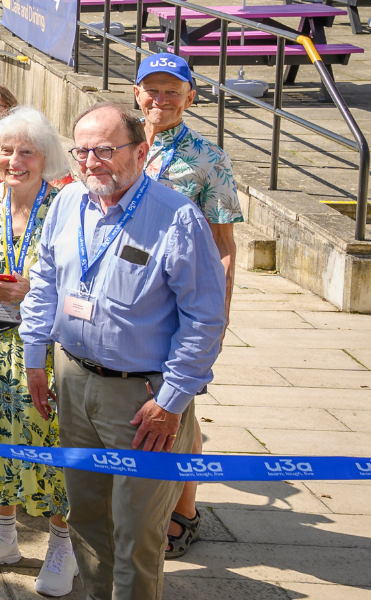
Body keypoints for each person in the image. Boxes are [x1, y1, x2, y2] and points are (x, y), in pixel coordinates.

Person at [22, 102, 226, 600]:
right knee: (88, 519)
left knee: (137, 534)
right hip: (73, 380)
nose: (92, 162)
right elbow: (45, 279)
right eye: (82, 151)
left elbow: (205, 319)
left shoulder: (177, 217)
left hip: (142, 399)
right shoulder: (68, 202)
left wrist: (172, 401)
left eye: (105, 150)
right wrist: (35, 356)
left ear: (140, 151)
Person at [0, 107, 77, 597]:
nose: (15, 160)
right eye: (7, 150)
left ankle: (63, 545)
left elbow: (78, 273)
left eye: (27, 152)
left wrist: (32, 288)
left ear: (46, 158)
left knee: (50, 441)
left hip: (45, 345)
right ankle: (3, 537)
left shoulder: (65, 205)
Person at [132, 53, 244, 559]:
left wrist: (218, 319)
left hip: (178, 302)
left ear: (190, 98)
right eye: (152, 89)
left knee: (180, 409)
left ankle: (185, 509)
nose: (161, 99)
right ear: (137, 93)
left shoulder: (208, 158)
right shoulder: (120, 144)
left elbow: (224, 245)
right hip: (122, 299)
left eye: (172, 91)